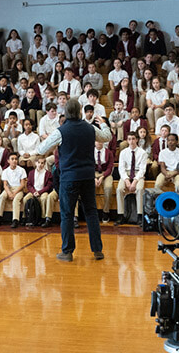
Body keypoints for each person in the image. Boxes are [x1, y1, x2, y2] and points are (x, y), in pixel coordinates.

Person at [35, 99, 111, 261]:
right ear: (80, 111)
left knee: (67, 214)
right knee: (91, 212)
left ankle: (67, 251)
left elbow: (41, 149)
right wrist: (103, 124)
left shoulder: (60, 131)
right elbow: (107, 137)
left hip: (69, 178)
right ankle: (97, 250)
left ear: (66, 112)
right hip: (88, 176)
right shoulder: (89, 128)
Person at [116, 132, 147, 226]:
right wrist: (126, 180)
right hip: (127, 173)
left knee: (140, 189)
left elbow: (142, 169)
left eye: (133, 139)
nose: (131, 141)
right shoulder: (123, 152)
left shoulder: (143, 153)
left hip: (138, 174)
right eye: (129, 139)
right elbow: (121, 168)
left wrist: (134, 181)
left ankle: (139, 215)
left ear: (137, 140)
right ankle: (120, 215)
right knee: (119, 189)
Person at [24, 157, 57, 227]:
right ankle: (27, 217)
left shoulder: (48, 173)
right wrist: (33, 192)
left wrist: (40, 192)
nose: (40, 164)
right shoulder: (31, 173)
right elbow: (29, 185)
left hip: (43, 191)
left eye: (42, 163)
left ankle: (42, 218)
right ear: (35, 163)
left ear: (44, 164)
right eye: (38, 162)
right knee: (26, 198)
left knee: (44, 198)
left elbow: (48, 186)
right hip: (33, 191)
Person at [0, 153, 27, 228]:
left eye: (16, 159)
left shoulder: (21, 170)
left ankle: (15, 220)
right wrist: (9, 193)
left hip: (18, 188)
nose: (14, 161)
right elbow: (5, 184)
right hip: (9, 188)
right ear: (8, 161)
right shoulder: (5, 171)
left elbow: (22, 184)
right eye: (12, 159)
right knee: (2, 197)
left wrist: (14, 193)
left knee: (16, 200)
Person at [93, 140, 114, 222]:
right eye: (97, 141)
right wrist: (94, 178)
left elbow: (110, 167)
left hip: (105, 173)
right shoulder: (90, 152)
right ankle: (92, 212)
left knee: (108, 187)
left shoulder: (108, 152)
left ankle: (106, 211)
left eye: (101, 141)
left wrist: (102, 177)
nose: (99, 142)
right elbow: (89, 165)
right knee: (89, 187)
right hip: (93, 173)